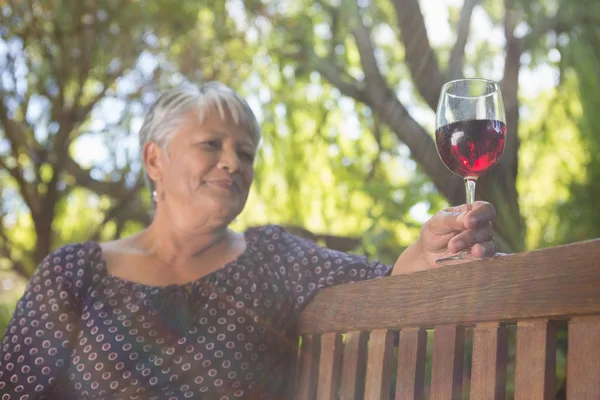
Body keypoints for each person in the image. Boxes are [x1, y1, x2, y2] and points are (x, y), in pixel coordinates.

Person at [0, 82, 497, 399]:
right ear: (155, 161)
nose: (233, 162)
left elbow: (390, 277)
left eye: (246, 152)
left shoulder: (274, 258)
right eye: (211, 145)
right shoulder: (74, 273)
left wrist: (432, 245)